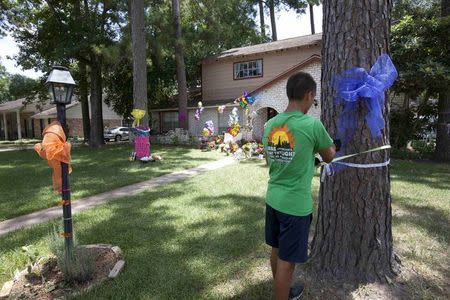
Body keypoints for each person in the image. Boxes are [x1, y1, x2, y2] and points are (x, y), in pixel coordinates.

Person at [262, 72, 336, 300]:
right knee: (287, 262)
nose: (312, 104)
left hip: (273, 198)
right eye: (313, 100)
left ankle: (284, 290)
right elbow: (330, 156)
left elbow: (274, 158)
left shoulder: (270, 125)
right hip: (295, 206)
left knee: (276, 249)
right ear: (308, 94)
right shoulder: (312, 125)